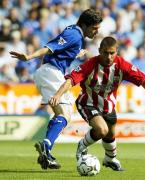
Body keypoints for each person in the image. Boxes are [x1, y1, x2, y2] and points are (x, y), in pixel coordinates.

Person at [49, 36, 145, 171]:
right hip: (87, 103)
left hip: (108, 105)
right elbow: (71, 80)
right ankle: (82, 147)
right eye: (105, 53)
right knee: (102, 130)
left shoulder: (123, 65)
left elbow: (143, 80)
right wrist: (57, 95)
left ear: (117, 51)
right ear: (99, 51)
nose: (109, 56)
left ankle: (110, 159)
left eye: (112, 53)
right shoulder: (90, 65)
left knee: (110, 134)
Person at [10, 9, 103, 170]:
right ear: (84, 24)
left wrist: (75, 54)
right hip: (51, 73)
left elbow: (60, 52)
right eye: (94, 28)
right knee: (65, 115)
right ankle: (46, 146)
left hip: (48, 72)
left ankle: (47, 151)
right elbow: (50, 48)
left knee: (62, 114)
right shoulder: (73, 35)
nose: (96, 32)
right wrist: (29, 57)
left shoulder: (75, 34)